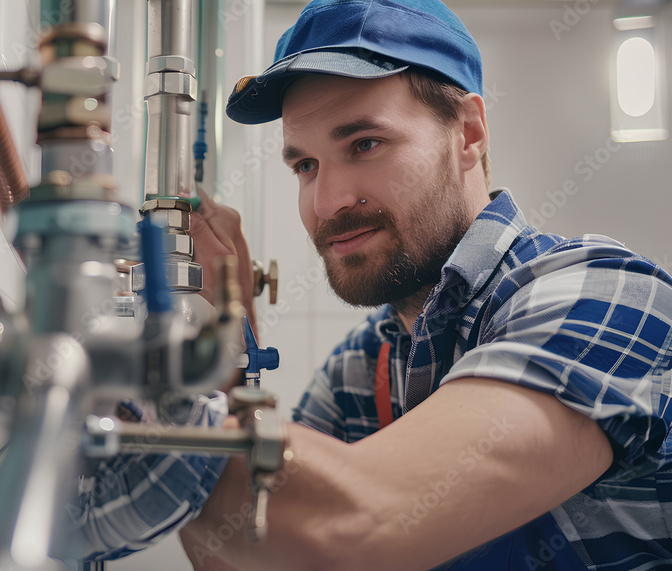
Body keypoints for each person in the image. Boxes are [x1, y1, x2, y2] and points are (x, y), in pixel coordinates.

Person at [176, 0, 672, 569]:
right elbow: (255, 551)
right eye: (305, 165)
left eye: (364, 144)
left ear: (468, 133)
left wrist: (151, 410)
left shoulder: (606, 296)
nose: (327, 201)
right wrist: (225, 348)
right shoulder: (360, 370)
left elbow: (361, 520)